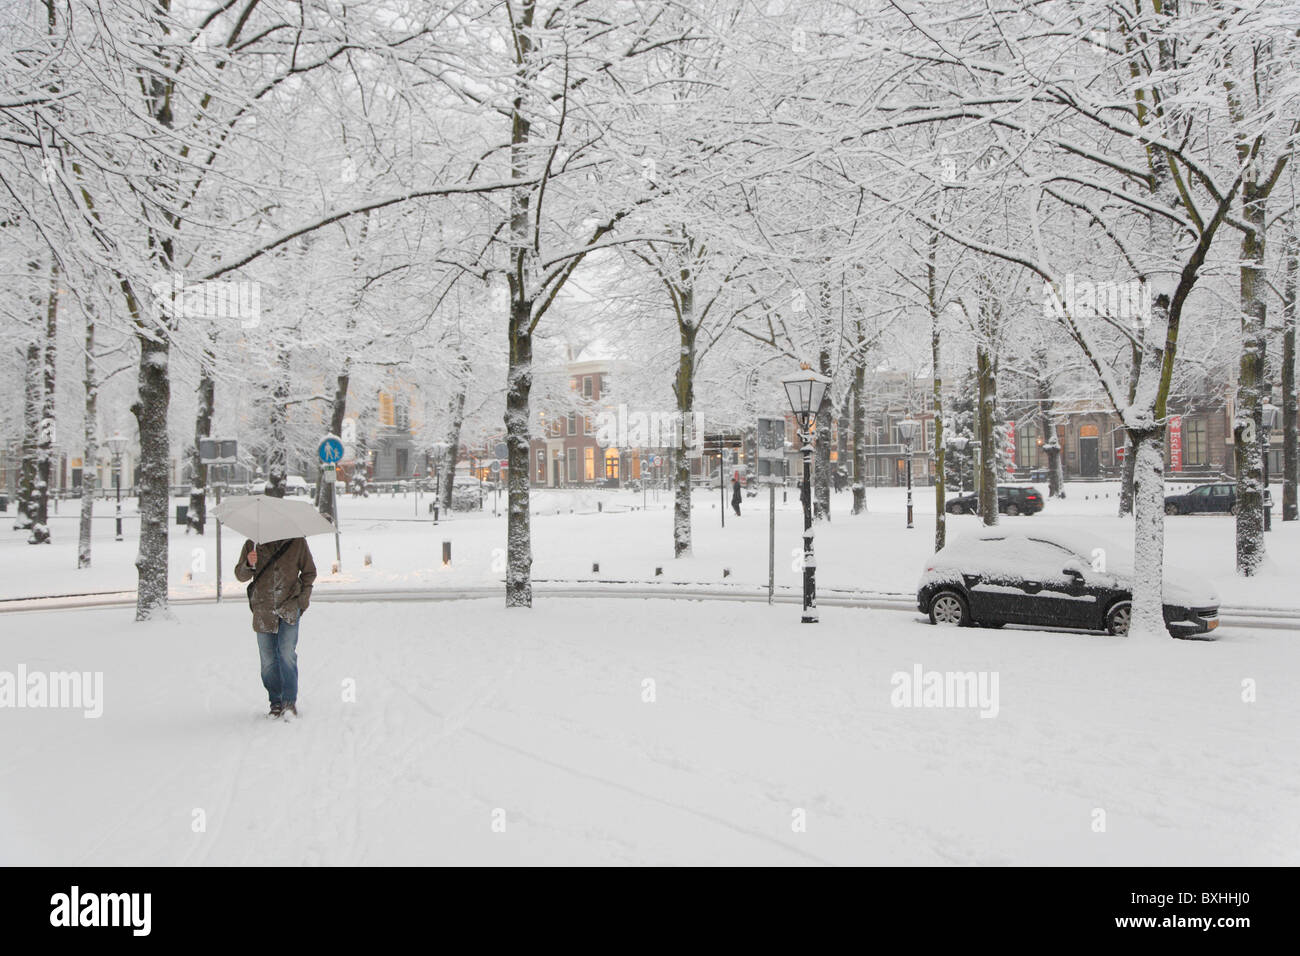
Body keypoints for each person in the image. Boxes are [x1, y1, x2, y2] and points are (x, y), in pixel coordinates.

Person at [234, 536, 317, 718]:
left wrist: (302, 600)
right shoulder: (253, 542)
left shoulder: (297, 541)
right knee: (268, 661)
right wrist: (248, 563)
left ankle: (289, 701)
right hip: (263, 610)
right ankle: (275, 701)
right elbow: (240, 575)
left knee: (287, 654)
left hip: (289, 607)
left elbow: (309, 572)